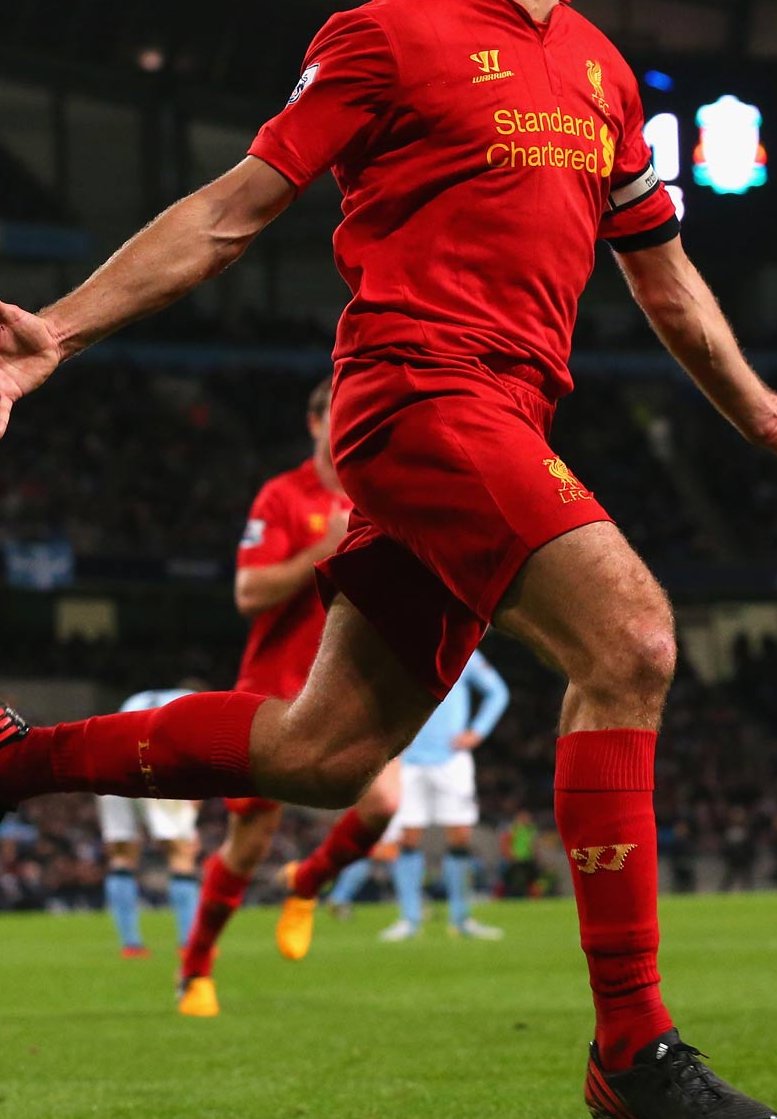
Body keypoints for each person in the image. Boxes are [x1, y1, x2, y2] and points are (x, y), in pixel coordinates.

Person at [0, 0, 777, 1119]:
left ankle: (10, 761)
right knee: (634, 641)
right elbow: (232, 212)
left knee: (324, 755)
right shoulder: (385, 34)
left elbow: (663, 280)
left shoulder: (602, 68)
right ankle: (632, 1044)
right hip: (418, 397)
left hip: (506, 414)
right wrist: (59, 327)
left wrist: (763, 412)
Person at [173, 381, 399, 1017]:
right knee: (251, 838)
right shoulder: (282, 496)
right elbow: (249, 593)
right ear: (314, 422)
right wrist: (322, 551)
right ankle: (195, 969)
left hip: (353, 681)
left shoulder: (382, 494)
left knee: (385, 803)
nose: (348, 423)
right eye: (337, 413)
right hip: (275, 686)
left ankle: (309, 880)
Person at [356, 648, 510, 941]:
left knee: (460, 838)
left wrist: (477, 731)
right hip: (409, 761)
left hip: (452, 761)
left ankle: (461, 919)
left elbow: (497, 692)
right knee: (407, 839)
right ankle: (410, 920)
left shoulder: (463, 650)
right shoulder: (399, 651)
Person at [99, 683, 209, 959]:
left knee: (121, 855)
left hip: (111, 760)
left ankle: (131, 945)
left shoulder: (137, 697)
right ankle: (189, 944)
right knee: (180, 853)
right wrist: (192, 814)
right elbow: (198, 754)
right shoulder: (199, 701)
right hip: (157, 759)